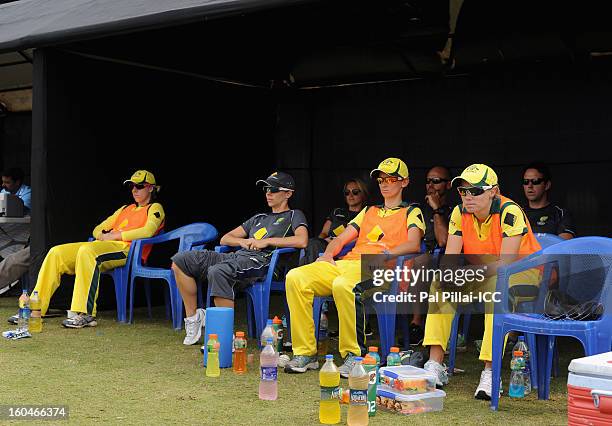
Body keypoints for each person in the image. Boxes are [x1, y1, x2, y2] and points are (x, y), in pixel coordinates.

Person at [283, 158, 425, 377]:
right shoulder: (369, 211)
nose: (384, 184)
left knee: (343, 286)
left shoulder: (412, 211)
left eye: (390, 179)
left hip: (381, 268)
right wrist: (328, 254)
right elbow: (341, 238)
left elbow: (414, 243)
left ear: (404, 182)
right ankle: (305, 353)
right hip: (347, 263)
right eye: (380, 179)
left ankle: (353, 356)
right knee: (296, 277)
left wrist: (385, 254)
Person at [422, 164, 541, 401]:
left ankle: (490, 371)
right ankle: (435, 365)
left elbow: (506, 265)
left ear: (493, 191)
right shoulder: (459, 212)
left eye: (475, 191)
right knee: (440, 283)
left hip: (524, 273)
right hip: (486, 272)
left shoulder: (510, 211)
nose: (468, 196)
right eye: (463, 191)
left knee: (496, 286)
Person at [9, 170, 165, 328]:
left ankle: (84, 313)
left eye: (139, 186)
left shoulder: (154, 208)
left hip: (128, 251)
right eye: (132, 186)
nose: (134, 190)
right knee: (56, 252)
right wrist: (103, 235)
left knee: (87, 251)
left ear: (151, 188)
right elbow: (98, 229)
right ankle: (35, 308)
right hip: (103, 246)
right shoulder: (125, 209)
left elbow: (148, 231)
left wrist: (116, 235)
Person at [171, 171, 308, 346]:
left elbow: (302, 240)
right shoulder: (259, 218)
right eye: (266, 189)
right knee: (181, 261)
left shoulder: (294, 215)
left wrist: (265, 242)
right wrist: (243, 242)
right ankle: (194, 318)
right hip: (237, 257)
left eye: (273, 189)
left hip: (263, 263)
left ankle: (225, 337)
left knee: (218, 271)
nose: (268, 193)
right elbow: (225, 238)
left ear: (288, 193)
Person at [404, 165, 453, 345]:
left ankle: (418, 322)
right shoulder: (417, 209)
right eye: (428, 181)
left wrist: (436, 209)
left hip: (448, 259)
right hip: (420, 255)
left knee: (423, 262)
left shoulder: (455, 209)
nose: (431, 185)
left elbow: (443, 241)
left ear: (448, 185)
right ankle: (413, 324)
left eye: (436, 181)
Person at [301, 178, 369, 264]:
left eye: (355, 192)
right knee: (313, 243)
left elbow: (363, 237)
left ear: (363, 193)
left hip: (350, 247)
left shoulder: (366, 213)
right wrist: (322, 241)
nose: (350, 195)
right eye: (347, 193)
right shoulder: (337, 212)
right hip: (328, 245)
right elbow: (324, 233)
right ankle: (308, 273)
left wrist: (337, 241)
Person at [522, 161, 575, 239]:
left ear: (547, 185)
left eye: (535, 181)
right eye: (526, 182)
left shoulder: (560, 214)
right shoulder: (517, 214)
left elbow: (564, 246)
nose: (530, 186)